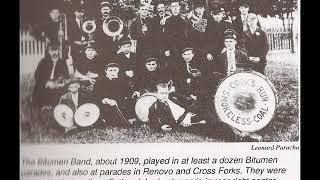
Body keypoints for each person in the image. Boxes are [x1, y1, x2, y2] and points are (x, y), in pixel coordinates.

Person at [94, 63, 140, 127]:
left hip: (120, 103)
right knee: (110, 112)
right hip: (107, 105)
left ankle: (129, 119)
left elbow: (128, 91)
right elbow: (95, 96)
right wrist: (106, 100)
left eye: (115, 70)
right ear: (106, 71)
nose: (113, 72)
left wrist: (133, 93)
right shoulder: (100, 81)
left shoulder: (122, 80)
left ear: (118, 70)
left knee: (132, 103)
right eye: (110, 70)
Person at [33, 41, 70, 110]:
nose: (54, 53)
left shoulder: (62, 62)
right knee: (40, 88)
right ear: (49, 51)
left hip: (57, 84)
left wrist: (61, 82)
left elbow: (66, 76)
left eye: (56, 50)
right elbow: (37, 76)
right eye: (52, 50)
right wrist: (47, 83)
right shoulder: (43, 62)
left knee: (63, 90)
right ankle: (44, 105)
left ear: (58, 50)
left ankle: (53, 105)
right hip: (46, 84)